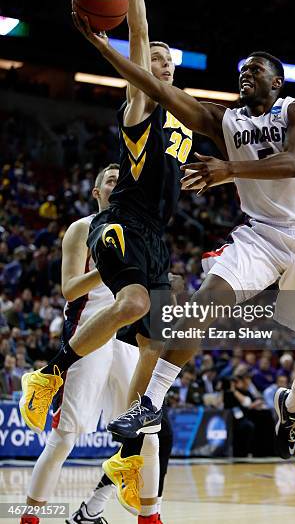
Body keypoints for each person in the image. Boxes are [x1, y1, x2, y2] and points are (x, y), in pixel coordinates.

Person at [69, 0, 295, 462]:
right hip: (259, 234)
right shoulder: (224, 119)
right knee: (201, 305)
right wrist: (103, 48)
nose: (245, 74)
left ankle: (292, 407)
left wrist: (229, 171)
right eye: (242, 70)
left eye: (255, 70)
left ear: (277, 81)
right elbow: (157, 91)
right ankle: (148, 404)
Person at [19, 0, 182, 513]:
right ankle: (51, 372)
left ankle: (141, 503)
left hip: (156, 239)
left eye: (167, 61)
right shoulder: (141, 105)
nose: (159, 64)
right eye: (153, 60)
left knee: (148, 402)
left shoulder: (183, 122)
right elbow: (139, 39)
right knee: (134, 304)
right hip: (124, 232)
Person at [20, 164, 172, 524]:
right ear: (97, 192)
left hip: (129, 337)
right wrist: (113, 267)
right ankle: (29, 517)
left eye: (123, 180)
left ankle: (150, 517)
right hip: (89, 330)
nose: (118, 184)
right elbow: (70, 289)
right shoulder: (81, 228)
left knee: (148, 432)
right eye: (110, 179)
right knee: (65, 436)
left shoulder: (139, 230)